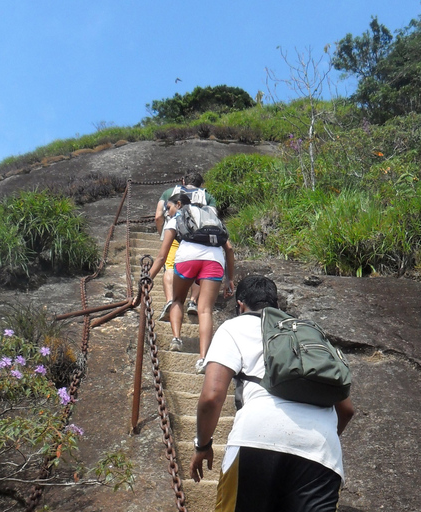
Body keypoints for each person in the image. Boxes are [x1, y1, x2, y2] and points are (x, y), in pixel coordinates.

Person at [190, 275, 354, 512]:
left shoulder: (234, 326)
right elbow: (346, 410)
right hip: (322, 453)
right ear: (277, 305)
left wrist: (202, 445)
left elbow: (211, 397)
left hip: (256, 439)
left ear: (240, 305)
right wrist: (315, 439)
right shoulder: (307, 335)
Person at [148, 192, 234, 374]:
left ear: (178, 205)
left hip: (187, 257)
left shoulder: (177, 217)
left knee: (178, 299)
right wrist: (230, 279)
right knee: (205, 310)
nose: (169, 212)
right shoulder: (211, 217)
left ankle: (177, 339)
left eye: (169, 208)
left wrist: (148, 277)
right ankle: (203, 359)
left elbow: (162, 256)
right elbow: (230, 248)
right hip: (214, 259)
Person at [154, 172, 217, 321]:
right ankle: (193, 302)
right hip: (198, 237)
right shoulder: (207, 196)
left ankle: (170, 301)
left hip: (175, 234)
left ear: (183, 181)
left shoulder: (170, 193)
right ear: (201, 185)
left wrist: (163, 235)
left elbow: (158, 216)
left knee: (170, 267)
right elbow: (213, 218)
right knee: (196, 272)